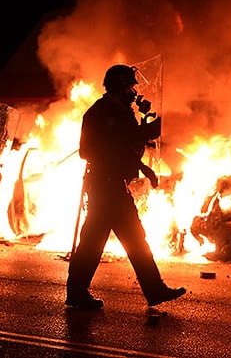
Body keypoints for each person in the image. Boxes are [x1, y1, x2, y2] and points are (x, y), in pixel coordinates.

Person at [65, 64, 186, 309]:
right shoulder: (99, 113)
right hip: (103, 187)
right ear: (119, 87)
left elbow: (129, 143)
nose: (134, 91)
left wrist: (145, 126)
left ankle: (150, 289)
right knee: (115, 241)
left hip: (114, 187)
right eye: (130, 86)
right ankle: (151, 289)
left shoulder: (123, 112)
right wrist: (137, 136)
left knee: (108, 241)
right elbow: (87, 151)